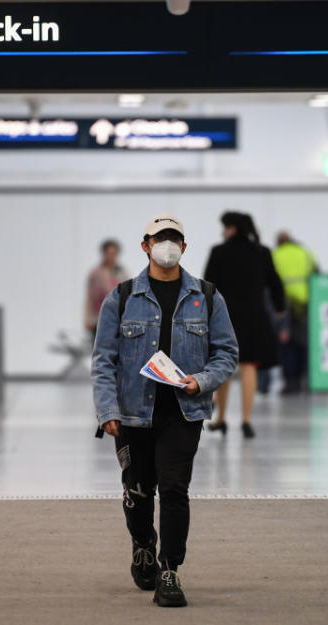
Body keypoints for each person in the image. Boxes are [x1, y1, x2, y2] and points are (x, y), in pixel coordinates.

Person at [92, 214, 238, 608]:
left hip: (182, 413)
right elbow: (103, 360)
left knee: (174, 490)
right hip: (132, 415)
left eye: (175, 239)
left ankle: (170, 570)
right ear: (145, 245)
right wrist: (107, 409)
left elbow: (227, 353)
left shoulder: (207, 297)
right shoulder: (121, 297)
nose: (168, 245)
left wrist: (201, 381)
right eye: (161, 238)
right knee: (138, 492)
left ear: (185, 248)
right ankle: (142, 543)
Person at [204, 212, 285, 438]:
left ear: (233, 229)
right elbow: (275, 282)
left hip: (225, 317)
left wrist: (203, 313)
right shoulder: (262, 252)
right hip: (254, 317)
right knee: (249, 365)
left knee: (224, 367)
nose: (223, 232)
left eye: (225, 227)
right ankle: (246, 420)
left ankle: (220, 419)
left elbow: (208, 286)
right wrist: (280, 307)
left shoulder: (219, 252)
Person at [272, 231, 318, 394]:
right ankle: (304, 379)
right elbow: (317, 274)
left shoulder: (275, 254)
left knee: (286, 345)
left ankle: (290, 382)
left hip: (283, 305)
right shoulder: (305, 253)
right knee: (304, 344)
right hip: (305, 304)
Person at [85, 239, 130, 337]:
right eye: (109, 253)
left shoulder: (122, 272)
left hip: (119, 319)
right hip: (99, 319)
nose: (111, 256)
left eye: (114, 253)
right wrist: (88, 319)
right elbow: (90, 298)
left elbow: (129, 295)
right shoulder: (96, 274)